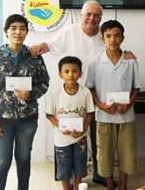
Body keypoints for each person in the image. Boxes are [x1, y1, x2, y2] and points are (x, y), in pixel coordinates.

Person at [29, 0, 134, 187]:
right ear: (81, 15)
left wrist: (128, 54)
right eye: (88, 14)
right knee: (70, 135)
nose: (92, 19)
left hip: (97, 95)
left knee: (98, 137)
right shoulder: (69, 32)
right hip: (72, 94)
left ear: (101, 18)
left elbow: (115, 50)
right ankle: (68, 176)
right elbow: (51, 44)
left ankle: (101, 174)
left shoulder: (105, 35)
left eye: (96, 16)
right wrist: (37, 48)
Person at [0, 14, 50, 190]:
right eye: (13, 28)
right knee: (2, 162)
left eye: (22, 28)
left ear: (26, 32)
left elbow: (45, 82)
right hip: (1, 120)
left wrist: (31, 94)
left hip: (27, 119)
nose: (18, 32)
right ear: (6, 32)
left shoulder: (34, 56)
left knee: (24, 160)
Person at [84, 20, 141, 190]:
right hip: (104, 117)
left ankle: (122, 186)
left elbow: (136, 88)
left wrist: (129, 104)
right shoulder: (95, 63)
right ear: (102, 39)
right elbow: (89, 89)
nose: (112, 39)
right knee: (104, 154)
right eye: (108, 36)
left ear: (122, 38)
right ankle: (110, 186)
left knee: (127, 153)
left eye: (117, 35)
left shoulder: (131, 61)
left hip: (126, 117)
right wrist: (101, 105)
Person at [45, 56, 95, 190]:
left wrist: (83, 128)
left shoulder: (85, 92)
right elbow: (49, 115)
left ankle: (77, 187)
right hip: (62, 139)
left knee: (79, 165)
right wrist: (61, 127)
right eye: (66, 71)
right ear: (60, 75)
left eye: (74, 71)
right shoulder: (55, 93)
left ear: (80, 73)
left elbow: (90, 113)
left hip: (80, 137)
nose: (71, 75)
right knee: (64, 167)